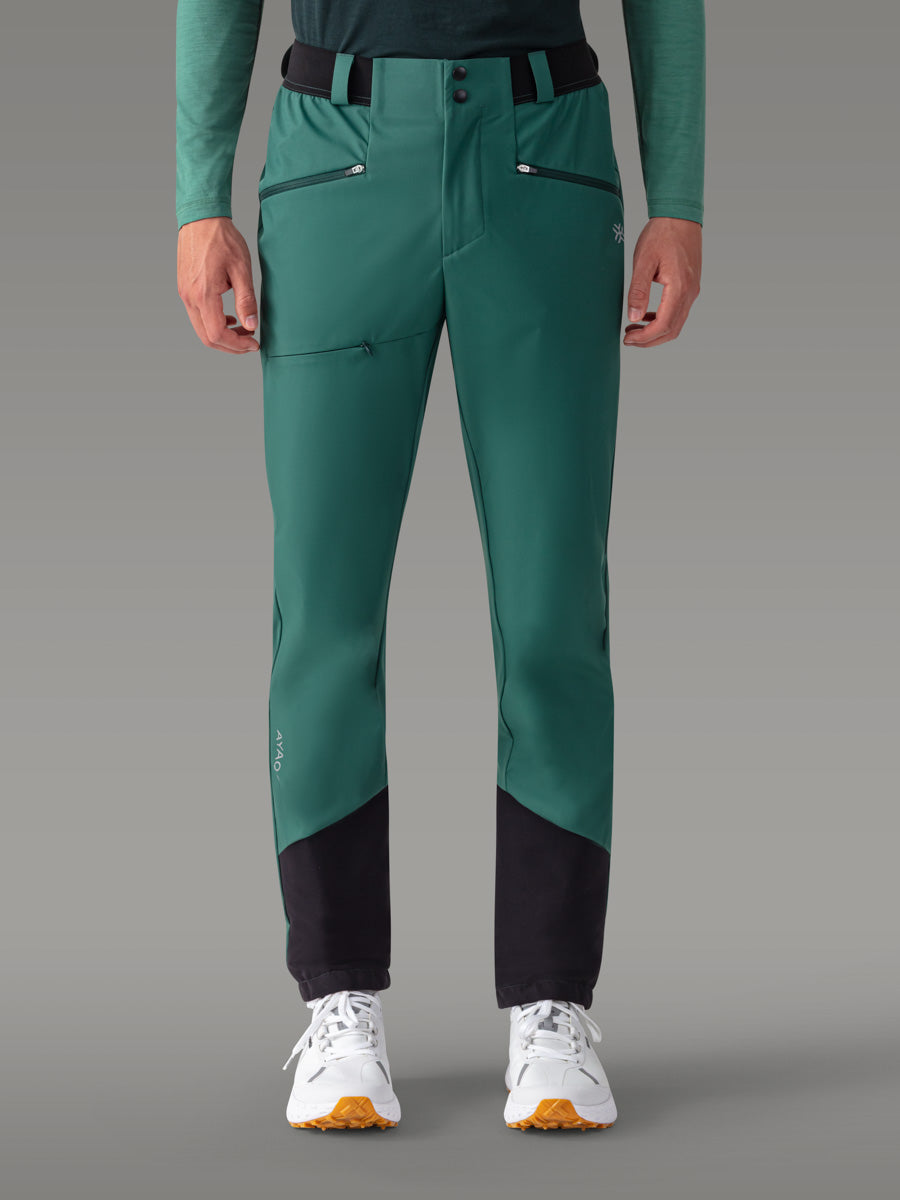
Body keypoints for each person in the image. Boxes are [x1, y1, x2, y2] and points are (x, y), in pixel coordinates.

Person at [175, 0, 704, 1132]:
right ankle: (339, 1002)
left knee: (555, 610)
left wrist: (681, 199)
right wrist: (197, 196)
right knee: (325, 609)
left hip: (544, 157)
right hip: (338, 159)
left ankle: (554, 1007)